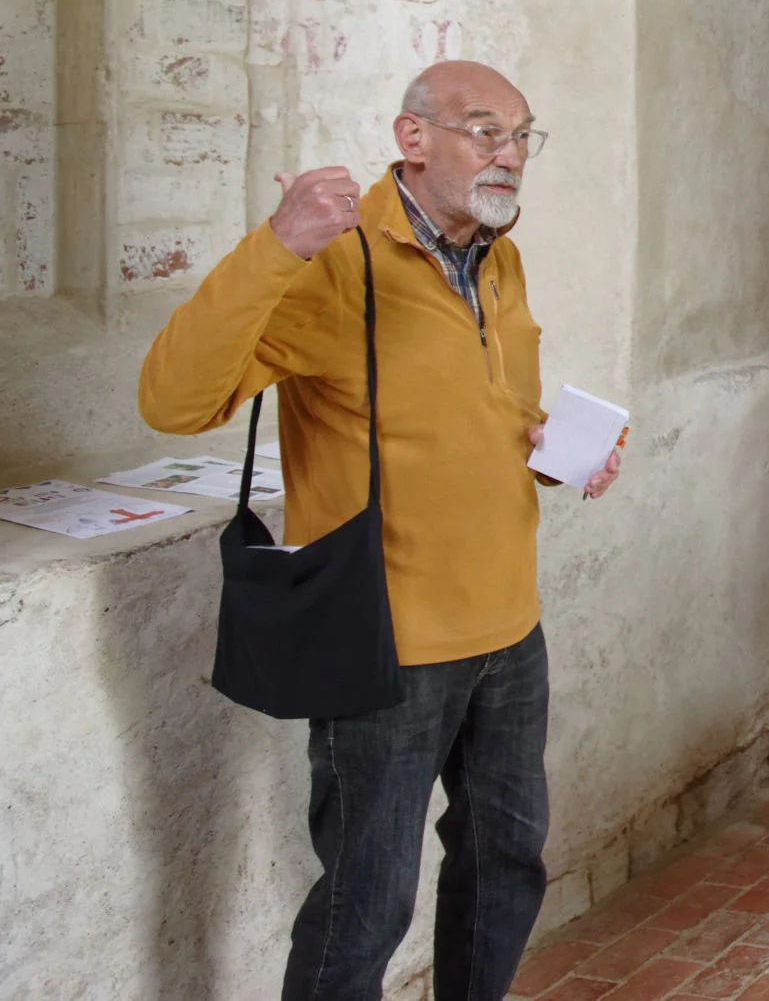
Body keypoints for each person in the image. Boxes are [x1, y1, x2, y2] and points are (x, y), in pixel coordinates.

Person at [136, 61, 620, 1001]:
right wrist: (277, 245)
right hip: (388, 641)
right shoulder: (331, 261)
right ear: (413, 138)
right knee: (368, 900)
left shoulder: (500, 254)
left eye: (523, 137)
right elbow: (170, 400)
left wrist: (565, 449)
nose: (511, 156)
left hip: (510, 628)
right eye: (487, 131)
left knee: (505, 865)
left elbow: (493, 411)